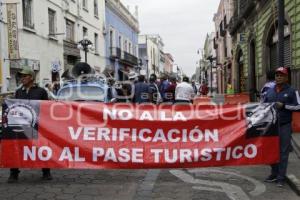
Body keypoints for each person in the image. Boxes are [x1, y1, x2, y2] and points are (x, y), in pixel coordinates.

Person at [8, 66, 53, 183]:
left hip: (37, 125)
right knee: (17, 148)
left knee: (41, 147)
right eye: (21, 76)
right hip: (22, 126)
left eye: (24, 76)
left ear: (31, 77)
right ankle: (14, 173)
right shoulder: (18, 92)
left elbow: (46, 108)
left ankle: (46, 171)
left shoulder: (41, 91)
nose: (22, 78)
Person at [263, 67, 300, 187]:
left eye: (281, 75)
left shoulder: (292, 91)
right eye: (277, 75)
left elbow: (298, 107)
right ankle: (274, 173)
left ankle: (281, 177)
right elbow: (263, 106)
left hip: (284, 125)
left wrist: (284, 106)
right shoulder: (270, 91)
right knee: (270, 150)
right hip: (271, 126)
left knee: (283, 152)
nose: (278, 77)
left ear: (286, 77)